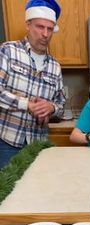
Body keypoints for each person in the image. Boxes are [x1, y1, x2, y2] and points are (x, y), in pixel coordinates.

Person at [0, 0, 66, 169]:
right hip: (6, 142)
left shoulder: (55, 66)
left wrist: (51, 108)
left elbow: (61, 106)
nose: (45, 34)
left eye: (49, 29)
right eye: (40, 27)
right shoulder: (8, 51)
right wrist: (27, 104)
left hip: (38, 145)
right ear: (28, 25)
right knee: (7, 193)